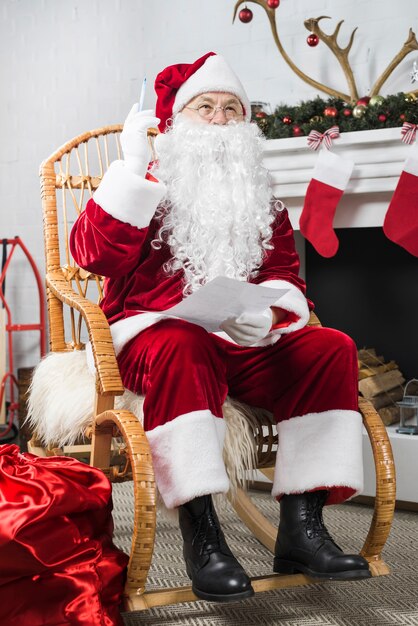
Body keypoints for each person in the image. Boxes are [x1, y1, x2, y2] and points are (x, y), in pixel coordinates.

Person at [70, 51, 370, 603]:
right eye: (205, 107)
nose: (221, 119)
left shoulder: (261, 199)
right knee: (185, 343)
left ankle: (303, 530)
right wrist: (132, 169)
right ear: (177, 122)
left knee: (330, 347)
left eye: (232, 108)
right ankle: (202, 535)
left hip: (236, 341)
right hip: (154, 339)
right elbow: (92, 256)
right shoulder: (146, 185)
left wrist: (273, 314)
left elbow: (284, 274)